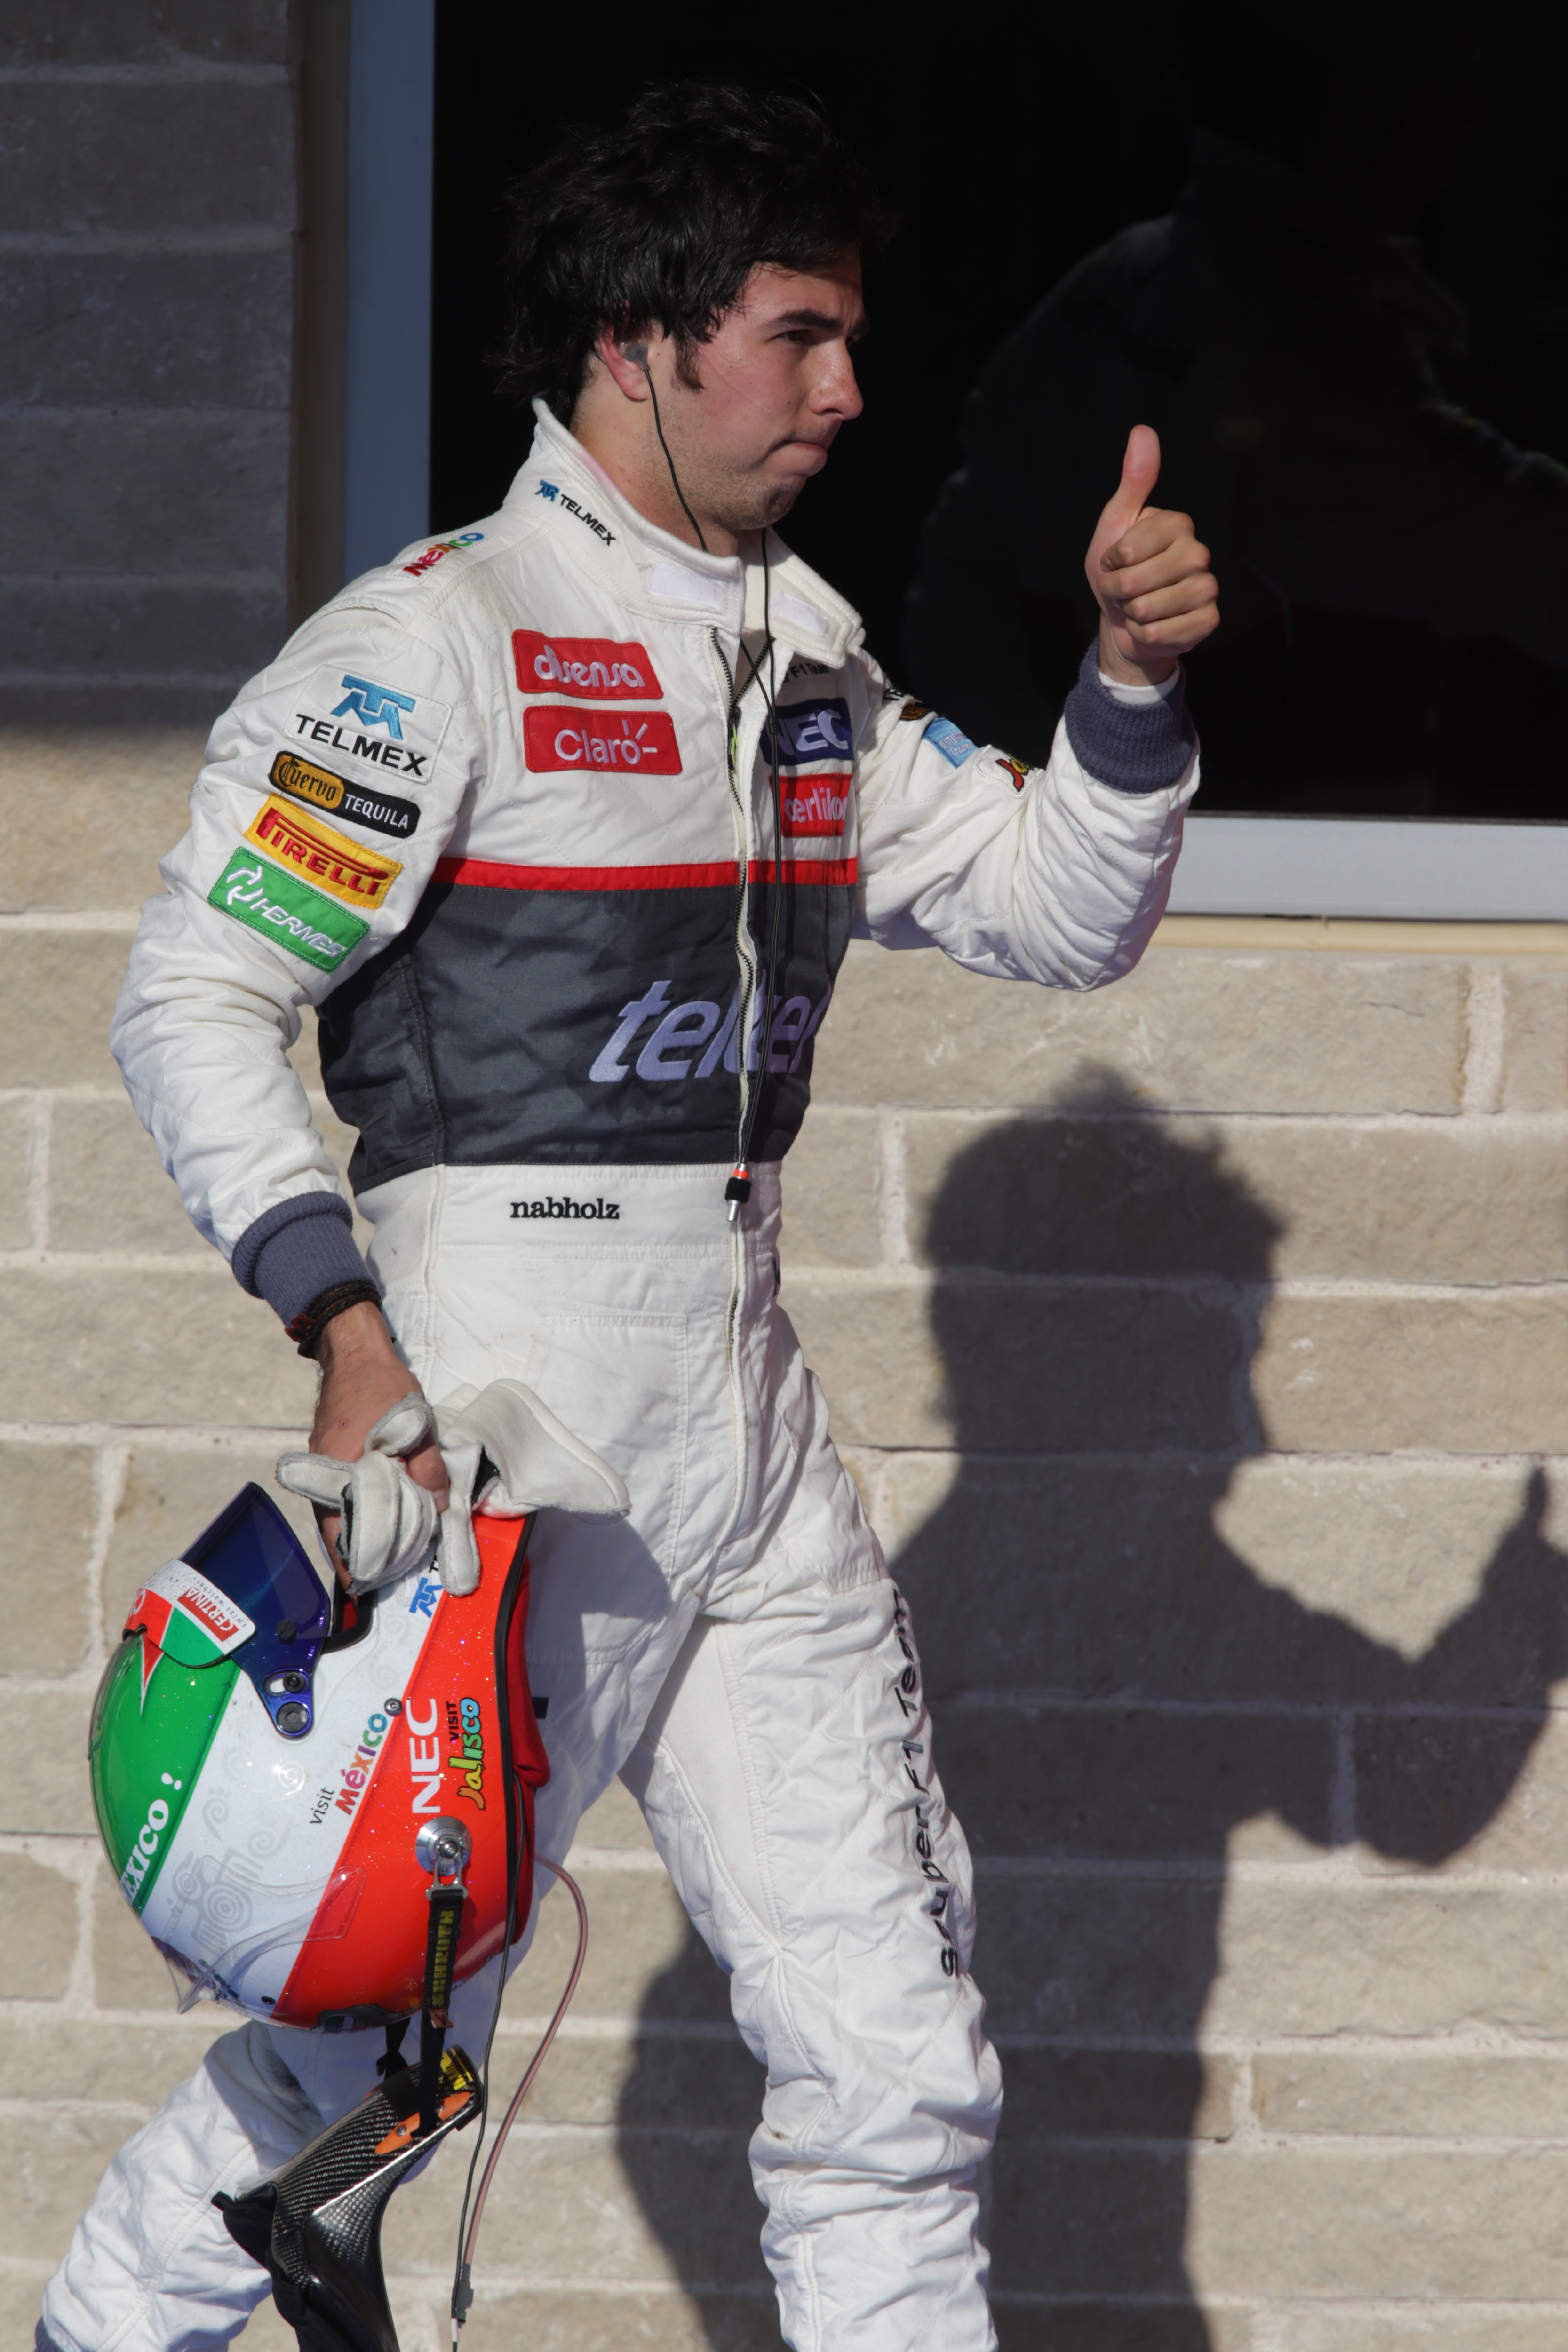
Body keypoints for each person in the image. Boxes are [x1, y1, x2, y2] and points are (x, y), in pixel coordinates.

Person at [44, 80, 1218, 2352]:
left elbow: (1055, 913)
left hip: (743, 1430)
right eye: (797, 334)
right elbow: (190, 991)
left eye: (851, 334)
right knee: (352, 2056)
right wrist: (341, 1326)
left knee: (894, 2064)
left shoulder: (804, 648)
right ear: (634, 341)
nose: (848, 387)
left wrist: (1129, 691)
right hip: (509, 1431)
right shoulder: (427, 645)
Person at [903, 5, 1568, 810]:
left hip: (1113, 835)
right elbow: (1538, 563)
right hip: (1246, 859)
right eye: (1455, 76)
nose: (1477, 115)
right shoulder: (1308, 360)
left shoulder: (1109, 282)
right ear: (1366, 106)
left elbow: (952, 595)